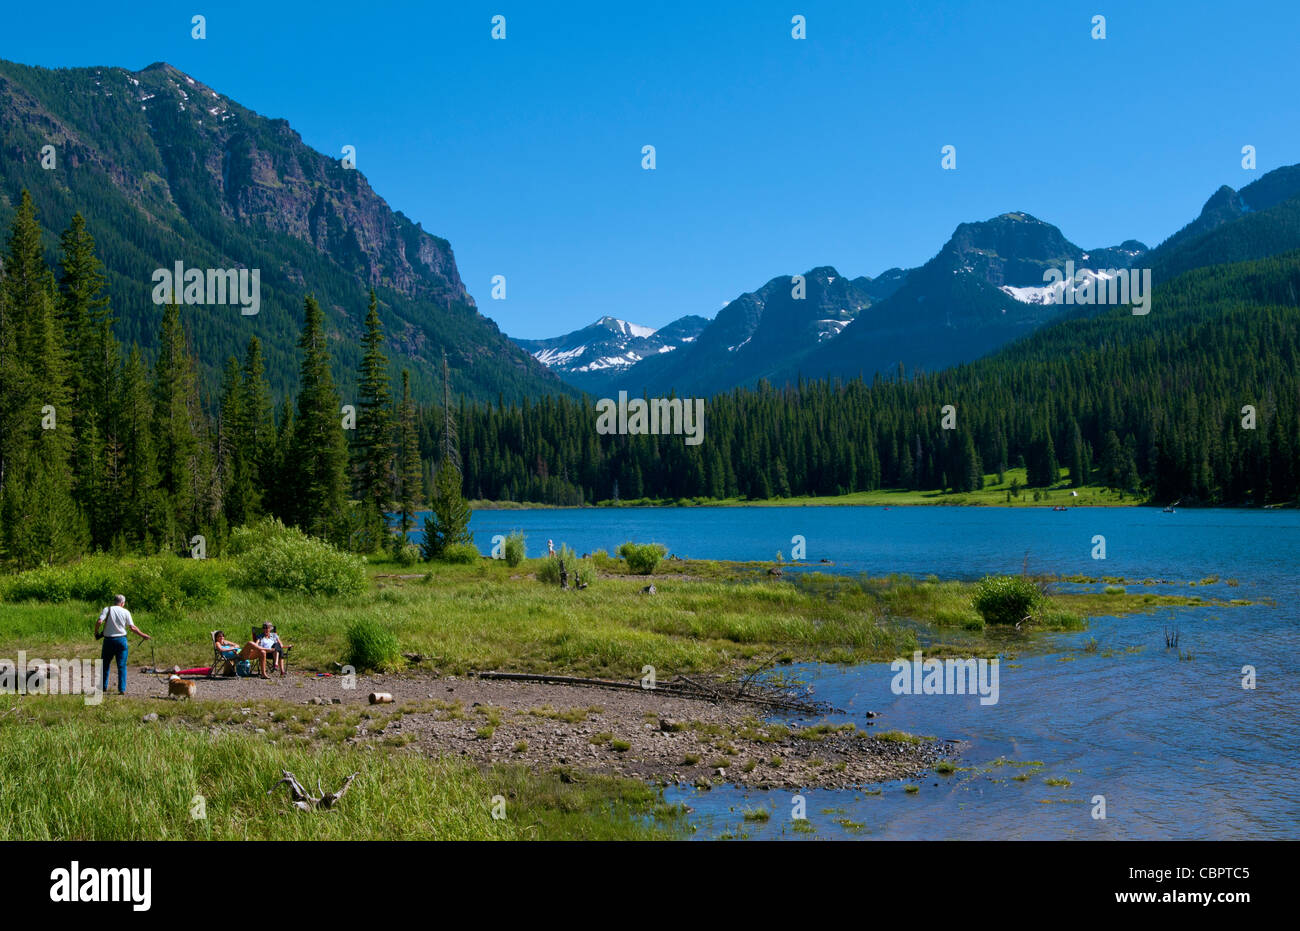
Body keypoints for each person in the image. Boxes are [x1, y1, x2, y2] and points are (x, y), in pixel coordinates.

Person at [94, 595, 150, 695]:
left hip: (108, 641)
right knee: (122, 665)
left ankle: (103, 687)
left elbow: (99, 621)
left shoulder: (107, 609)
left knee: (105, 665)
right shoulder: (126, 612)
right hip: (121, 640)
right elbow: (132, 628)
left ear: (114, 601)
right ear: (122, 603)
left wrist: (96, 633)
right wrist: (143, 635)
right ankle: (122, 689)